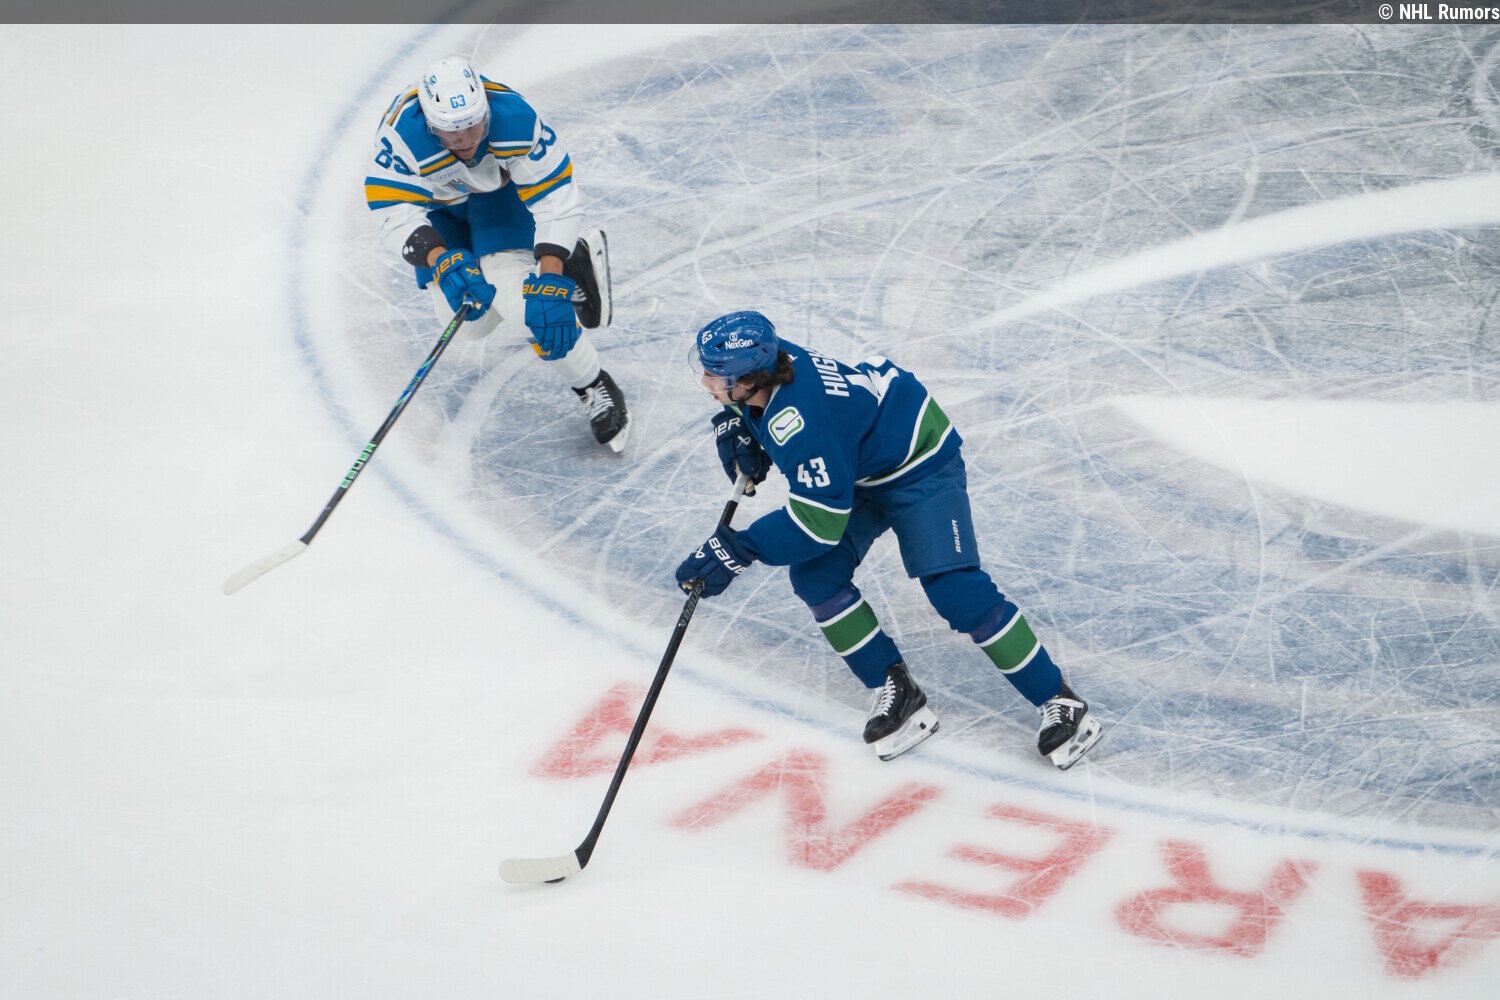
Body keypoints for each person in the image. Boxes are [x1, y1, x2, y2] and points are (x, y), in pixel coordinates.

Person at [674, 311, 1103, 768]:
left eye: (714, 376)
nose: (705, 382)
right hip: (862, 465)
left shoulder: (804, 421)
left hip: (919, 462)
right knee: (817, 579)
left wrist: (738, 549)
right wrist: (737, 422)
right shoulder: (773, 364)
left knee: (956, 591)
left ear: (748, 379)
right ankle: (896, 687)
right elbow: (758, 409)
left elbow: (818, 524)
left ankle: (1059, 698)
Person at [365, 55, 629, 452]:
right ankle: (565, 259)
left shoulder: (515, 119)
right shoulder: (402, 137)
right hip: (440, 211)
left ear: (486, 108)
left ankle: (591, 381)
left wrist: (550, 276)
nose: (466, 140)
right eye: (452, 132)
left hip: (499, 197)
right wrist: (440, 260)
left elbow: (556, 199)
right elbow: (392, 212)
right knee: (469, 322)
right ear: (431, 124)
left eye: (474, 125)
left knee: (526, 306)